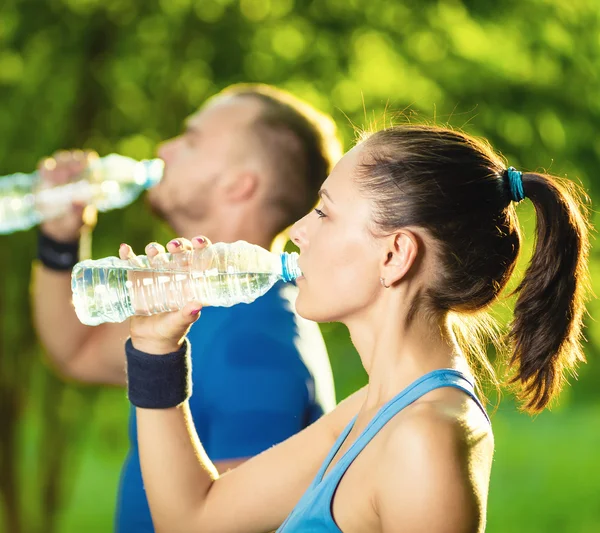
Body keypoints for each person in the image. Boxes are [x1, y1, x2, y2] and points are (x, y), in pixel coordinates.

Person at [121, 124, 591, 533]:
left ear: (395, 255)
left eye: (324, 212)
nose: (298, 231)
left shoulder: (424, 440)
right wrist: (155, 348)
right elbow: (192, 519)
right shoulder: (373, 410)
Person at [31, 84, 343, 532]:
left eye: (191, 141)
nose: (165, 149)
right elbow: (74, 351)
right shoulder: (197, 303)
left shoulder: (258, 343)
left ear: (240, 185)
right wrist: (60, 240)